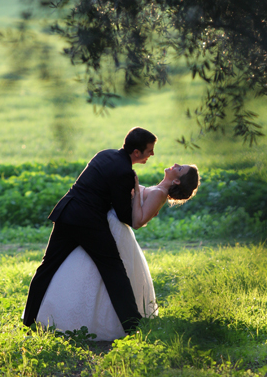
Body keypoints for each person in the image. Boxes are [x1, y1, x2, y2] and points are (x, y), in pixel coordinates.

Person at [34, 163, 200, 341]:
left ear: (176, 180)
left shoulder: (159, 194)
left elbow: (138, 222)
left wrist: (135, 189)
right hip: (105, 220)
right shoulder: (158, 189)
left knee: (101, 272)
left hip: (114, 228)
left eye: (180, 168)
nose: (176, 165)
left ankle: (96, 321)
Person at [23, 127, 157, 334]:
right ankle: (133, 327)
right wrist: (137, 198)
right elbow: (124, 216)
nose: (152, 154)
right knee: (114, 270)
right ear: (137, 152)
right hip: (89, 223)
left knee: (47, 267)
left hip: (67, 213)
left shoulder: (105, 154)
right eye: (150, 150)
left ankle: (28, 319)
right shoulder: (125, 172)